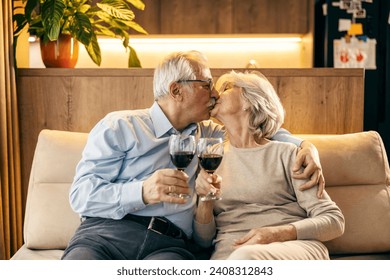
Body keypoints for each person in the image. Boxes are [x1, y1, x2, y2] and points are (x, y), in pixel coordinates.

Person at [62, 51, 325, 260]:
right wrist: (141, 191)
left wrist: (305, 146)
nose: (214, 94)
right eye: (206, 85)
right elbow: (80, 195)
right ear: (176, 91)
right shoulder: (120, 126)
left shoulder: (210, 134)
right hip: (106, 234)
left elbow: (258, 128)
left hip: (167, 246)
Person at [193, 70, 345, 260]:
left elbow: (334, 220)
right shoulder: (210, 158)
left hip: (292, 247)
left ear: (249, 100)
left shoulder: (288, 154)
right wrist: (205, 201)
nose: (215, 94)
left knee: (245, 258)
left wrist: (277, 233)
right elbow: (202, 241)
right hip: (230, 256)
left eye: (226, 88)